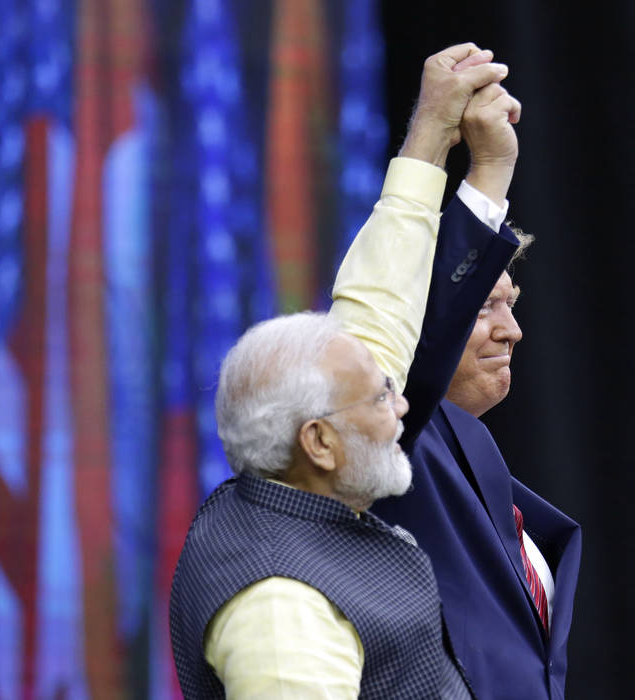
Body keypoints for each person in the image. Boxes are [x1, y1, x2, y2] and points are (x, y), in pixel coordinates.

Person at [169, 43, 522, 699]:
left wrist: (433, 138)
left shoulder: (305, 476)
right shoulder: (279, 602)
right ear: (320, 442)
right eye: (381, 397)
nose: (404, 406)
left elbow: (379, 308)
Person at [367, 59, 582, 700]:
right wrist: (486, 171)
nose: (511, 331)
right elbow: (419, 333)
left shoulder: (485, 477)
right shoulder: (382, 443)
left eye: (511, 305)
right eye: (485, 305)